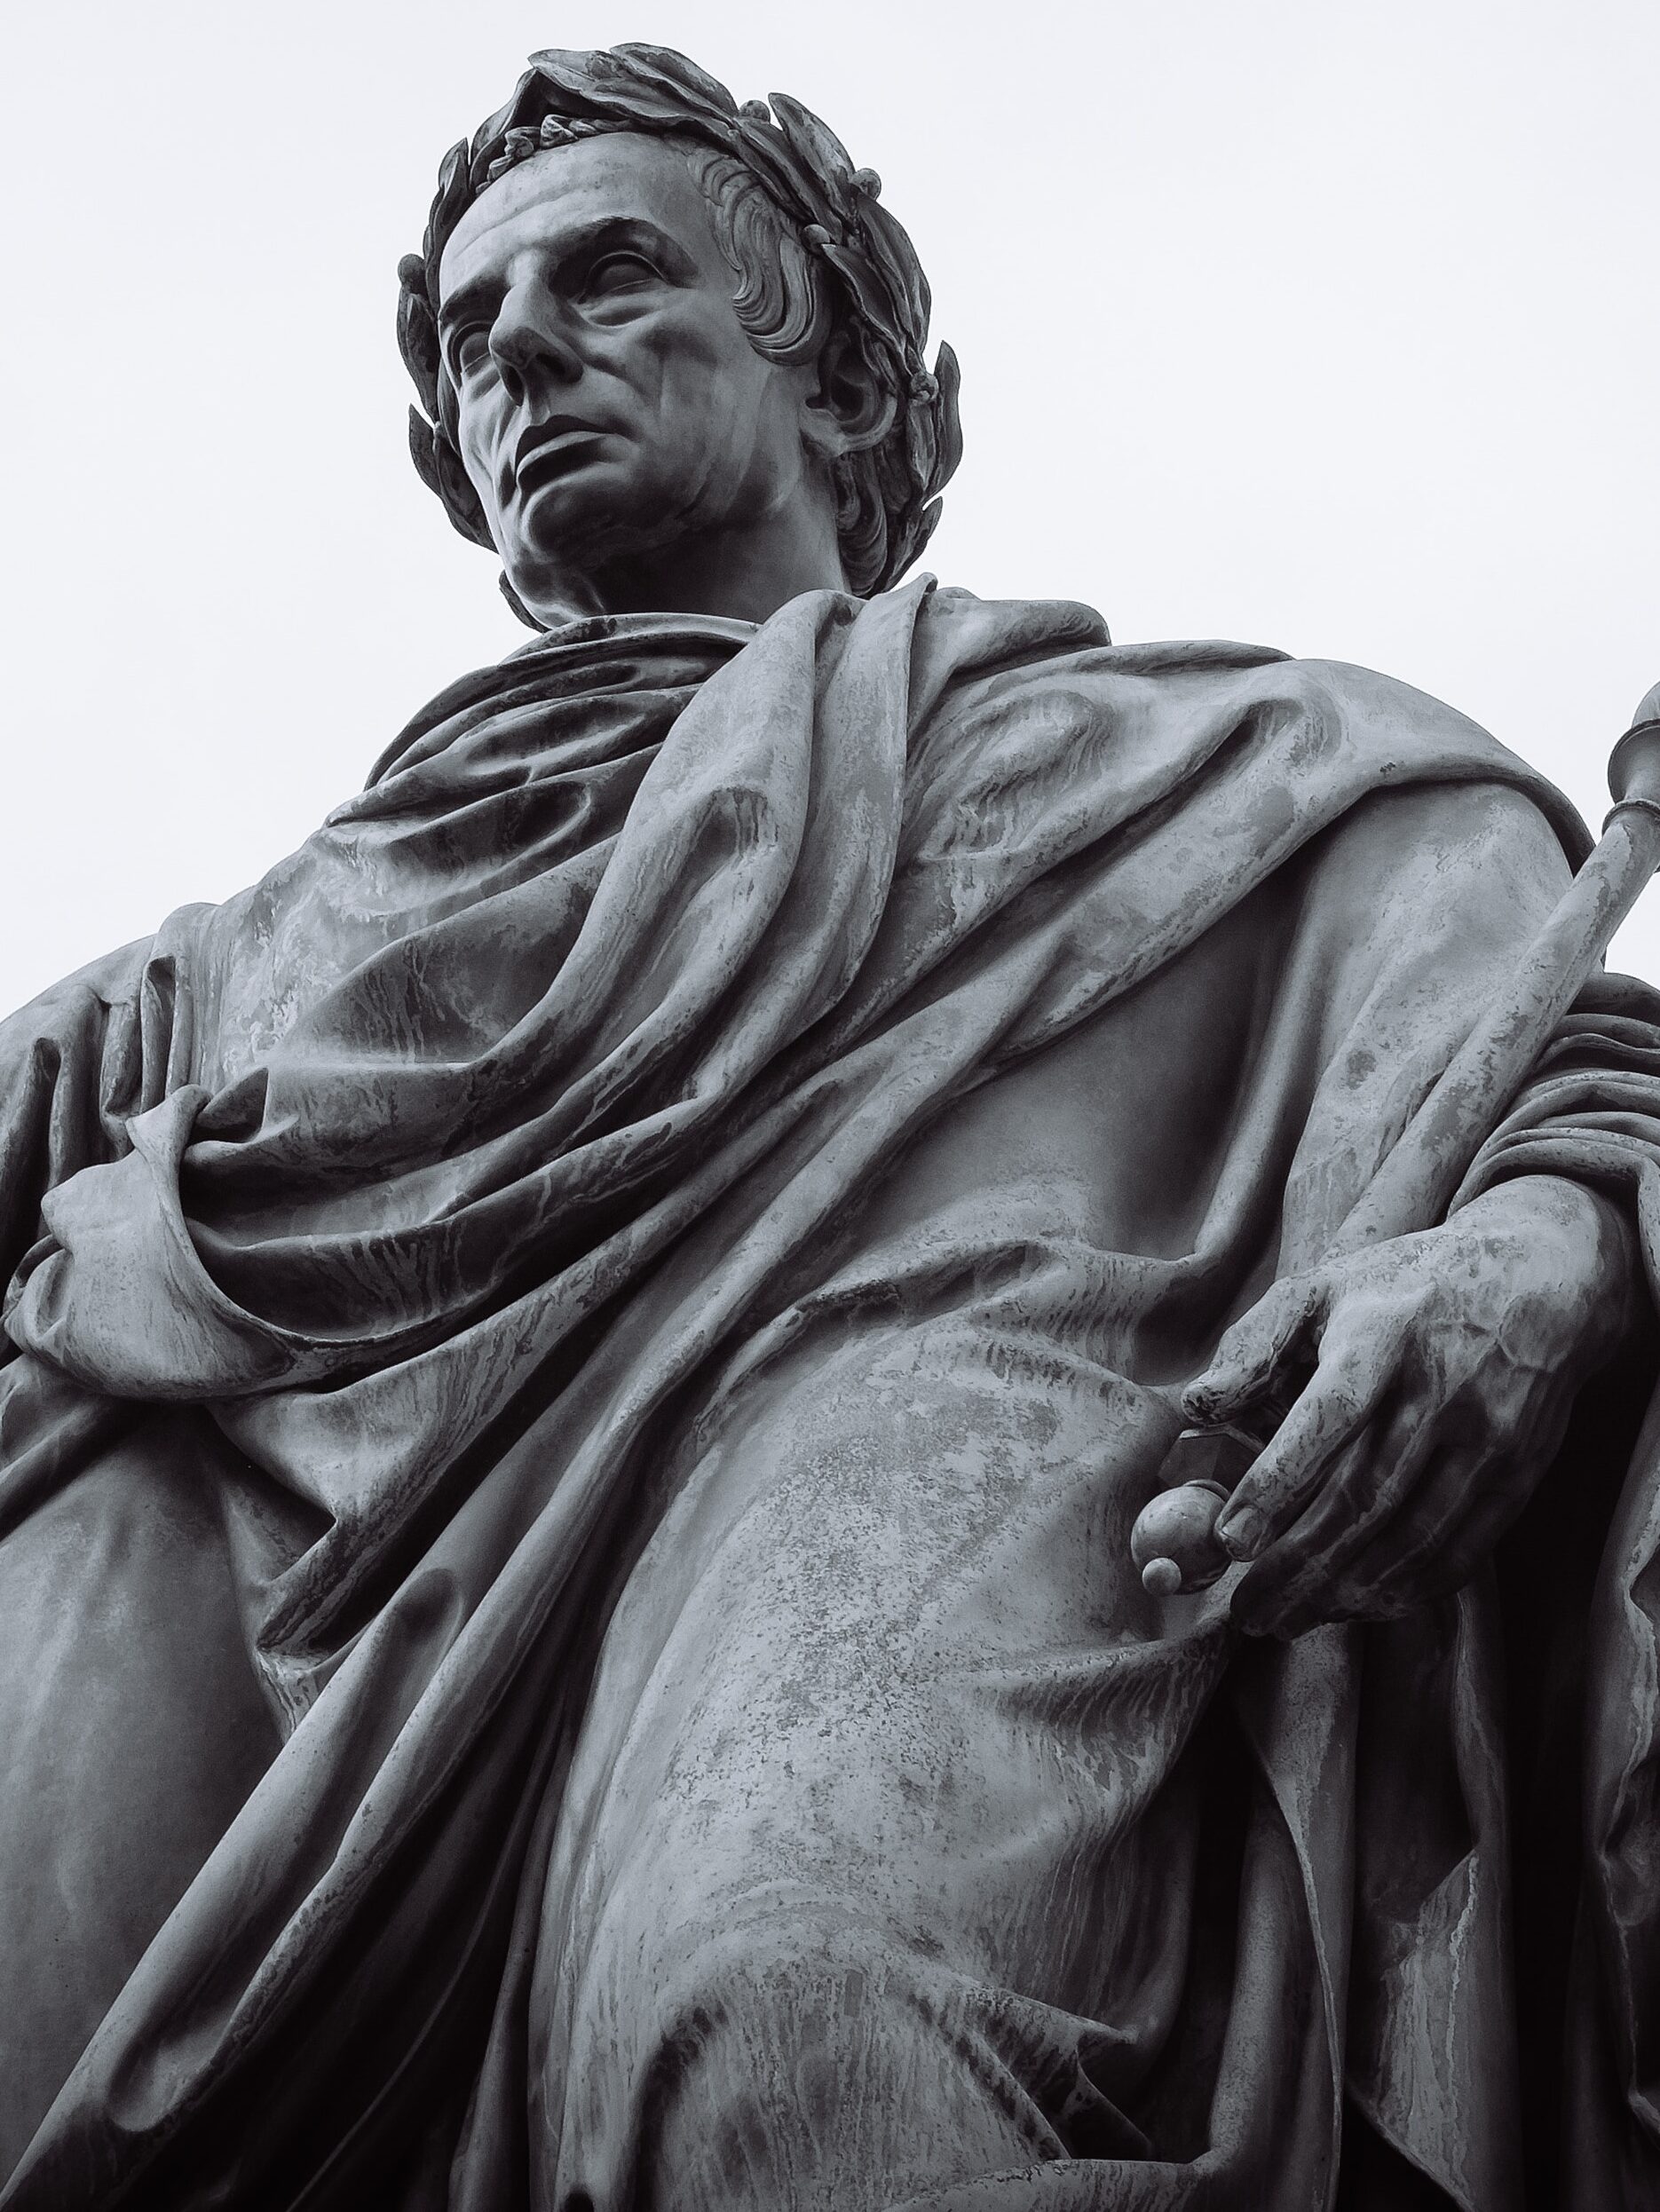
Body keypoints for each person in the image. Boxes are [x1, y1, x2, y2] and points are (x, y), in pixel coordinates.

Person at [1, 42, 1657, 2212]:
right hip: (246, 1568)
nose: (519, 351)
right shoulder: (218, 974)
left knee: (786, 2027)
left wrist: (1526, 1257)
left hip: (910, 1455)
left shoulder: (1202, 763)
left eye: (608, 276)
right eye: (473, 332)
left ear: (845, 394)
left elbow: (1540, 1073)